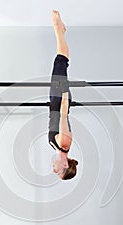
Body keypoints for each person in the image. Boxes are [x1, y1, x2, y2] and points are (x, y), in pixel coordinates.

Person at [49, 10, 78, 180]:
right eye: (58, 172)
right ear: (65, 165)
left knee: (60, 62)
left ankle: (60, 30)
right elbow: (63, 114)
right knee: (61, 61)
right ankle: (57, 28)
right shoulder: (64, 143)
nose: (54, 171)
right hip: (60, 98)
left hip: (56, 98)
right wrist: (64, 90)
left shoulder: (58, 147)